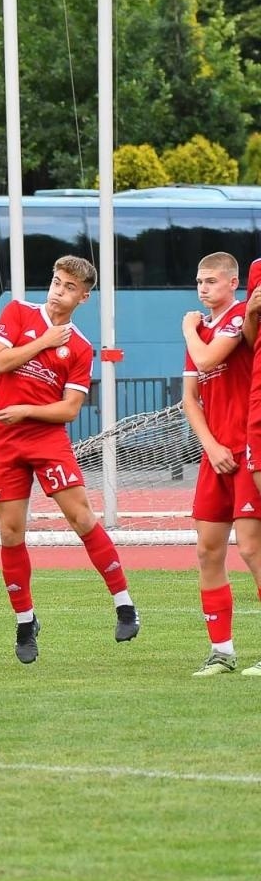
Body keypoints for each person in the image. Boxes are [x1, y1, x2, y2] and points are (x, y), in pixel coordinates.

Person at [0, 255, 139, 664]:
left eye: (70, 287)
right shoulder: (18, 313)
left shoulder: (81, 347)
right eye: (56, 282)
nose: (59, 291)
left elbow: (69, 410)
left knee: (82, 518)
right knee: (11, 531)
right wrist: (43, 342)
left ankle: (125, 605)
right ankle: (25, 622)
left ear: (83, 297)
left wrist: (27, 411)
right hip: (5, 441)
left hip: (46, 438)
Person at [183, 254, 261, 675]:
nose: (203, 288)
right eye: (199, 281)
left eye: (211, 280)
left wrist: (186, 328)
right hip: (215, 455)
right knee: (207, 551)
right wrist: (210, 445)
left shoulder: (236, 319)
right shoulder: (202, 331)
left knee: (252, 549)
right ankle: (222, 651)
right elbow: (189, 399)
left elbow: (208, 360)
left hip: (248, 450)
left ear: (234, 283)